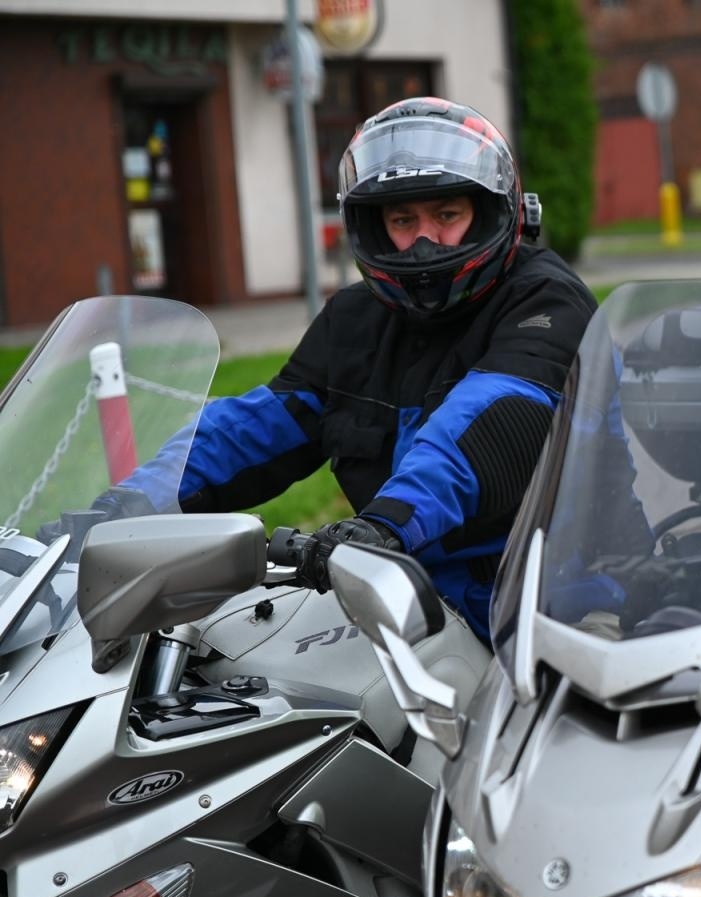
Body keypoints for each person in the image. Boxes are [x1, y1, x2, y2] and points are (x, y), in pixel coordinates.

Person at [75, 97, 596, 640]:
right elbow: (260, 423)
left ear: (492, 212)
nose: (423, 243)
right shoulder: (356, 318)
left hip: (548, 603)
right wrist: (127, 504)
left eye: (446, 215)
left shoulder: (546, 302)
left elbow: (484, 426)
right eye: (402, 220)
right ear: (372, 226)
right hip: (406, 598)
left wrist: (381, 525)